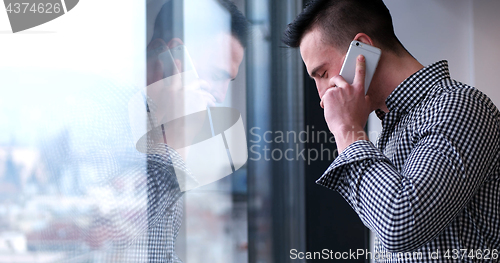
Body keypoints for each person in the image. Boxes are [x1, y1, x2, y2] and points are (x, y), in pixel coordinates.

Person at [282, 0, 500, 262]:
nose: (321, 95)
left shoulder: (461, 106)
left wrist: (347, 130)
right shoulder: (394, 127)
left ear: (361, 49)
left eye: (322, 73)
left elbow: (400, 224)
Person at [142, 0, 247, 262]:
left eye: (228, 80)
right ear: (169, 60)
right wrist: (177, 140)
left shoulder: (160, 133)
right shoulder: (112, 126)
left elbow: (163, 253)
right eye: (215, 74)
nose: (221, 94)